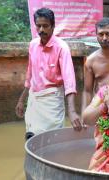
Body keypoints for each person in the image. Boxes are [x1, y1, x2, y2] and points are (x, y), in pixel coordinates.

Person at [15, 8, 80, 140]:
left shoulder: (62, 48)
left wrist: (72, 111)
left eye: (45, 26)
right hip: (34, 100)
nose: (41, 30)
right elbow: (30, 74)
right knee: (31, 137)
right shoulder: (33, 45)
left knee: (52, 139)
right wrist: (22, 100)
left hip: (52, 102)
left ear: (53, 26)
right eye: (38, 26)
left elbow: (69, 81)